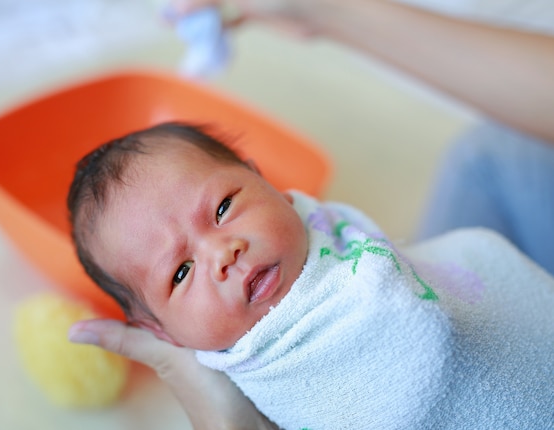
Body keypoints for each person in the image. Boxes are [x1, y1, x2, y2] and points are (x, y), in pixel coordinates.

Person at [68, 1, 554, 427]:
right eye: (180, 272)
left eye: (223, 208)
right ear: (161, 332)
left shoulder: (330, 239)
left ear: (272, 187)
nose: (223, 252)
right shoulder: (269, 368)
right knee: (488, 154)